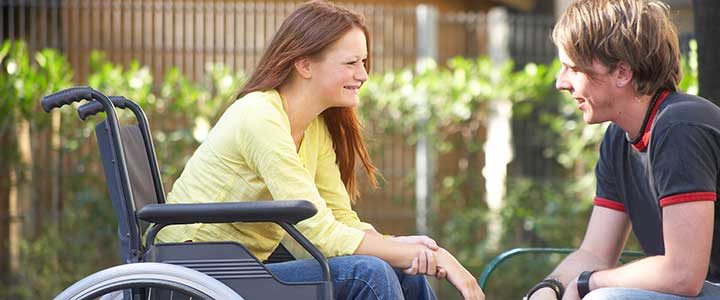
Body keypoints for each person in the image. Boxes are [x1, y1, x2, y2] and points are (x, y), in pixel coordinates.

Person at [155, 1, 483, 299]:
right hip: (198, 269)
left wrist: (397, 246)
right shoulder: (260, 116)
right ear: (305, 65)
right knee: (369, 273)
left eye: (364, 62)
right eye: (351, 62)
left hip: (244, 265)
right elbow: (321, 235)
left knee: (396, 270)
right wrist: (430, 258)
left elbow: (338, 219)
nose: (363, 75)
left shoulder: (313, 128)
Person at [525, 0, 720, 299]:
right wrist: (547, 289)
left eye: (572, 68)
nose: (560, 83)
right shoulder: (618, 138)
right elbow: (594, 253)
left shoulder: (680, 126)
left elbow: (683, 274)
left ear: (622, 72)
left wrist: (588, 283)